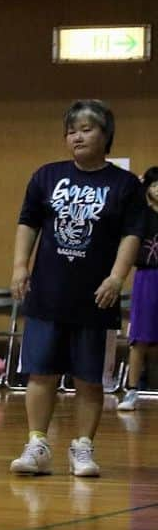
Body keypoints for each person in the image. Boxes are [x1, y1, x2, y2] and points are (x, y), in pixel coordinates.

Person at [10, 100, 144, 477]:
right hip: (48, 294)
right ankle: (37, 444)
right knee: (40, 373)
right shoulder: (46, 177)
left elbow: (132, 234)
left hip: (95, 297)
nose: (77, 136)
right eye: (71, 130)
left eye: (86, 129)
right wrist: (20, 266)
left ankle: (82, 447)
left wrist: (117, 277)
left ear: (106, 136)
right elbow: (28, 222)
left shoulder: (125, 185)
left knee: (89, 379)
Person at [117, 166, 158, 412]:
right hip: (146, 278)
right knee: (139, 338)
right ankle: (132, 391)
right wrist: (140, 182)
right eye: (154, 185)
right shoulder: (141, 214)